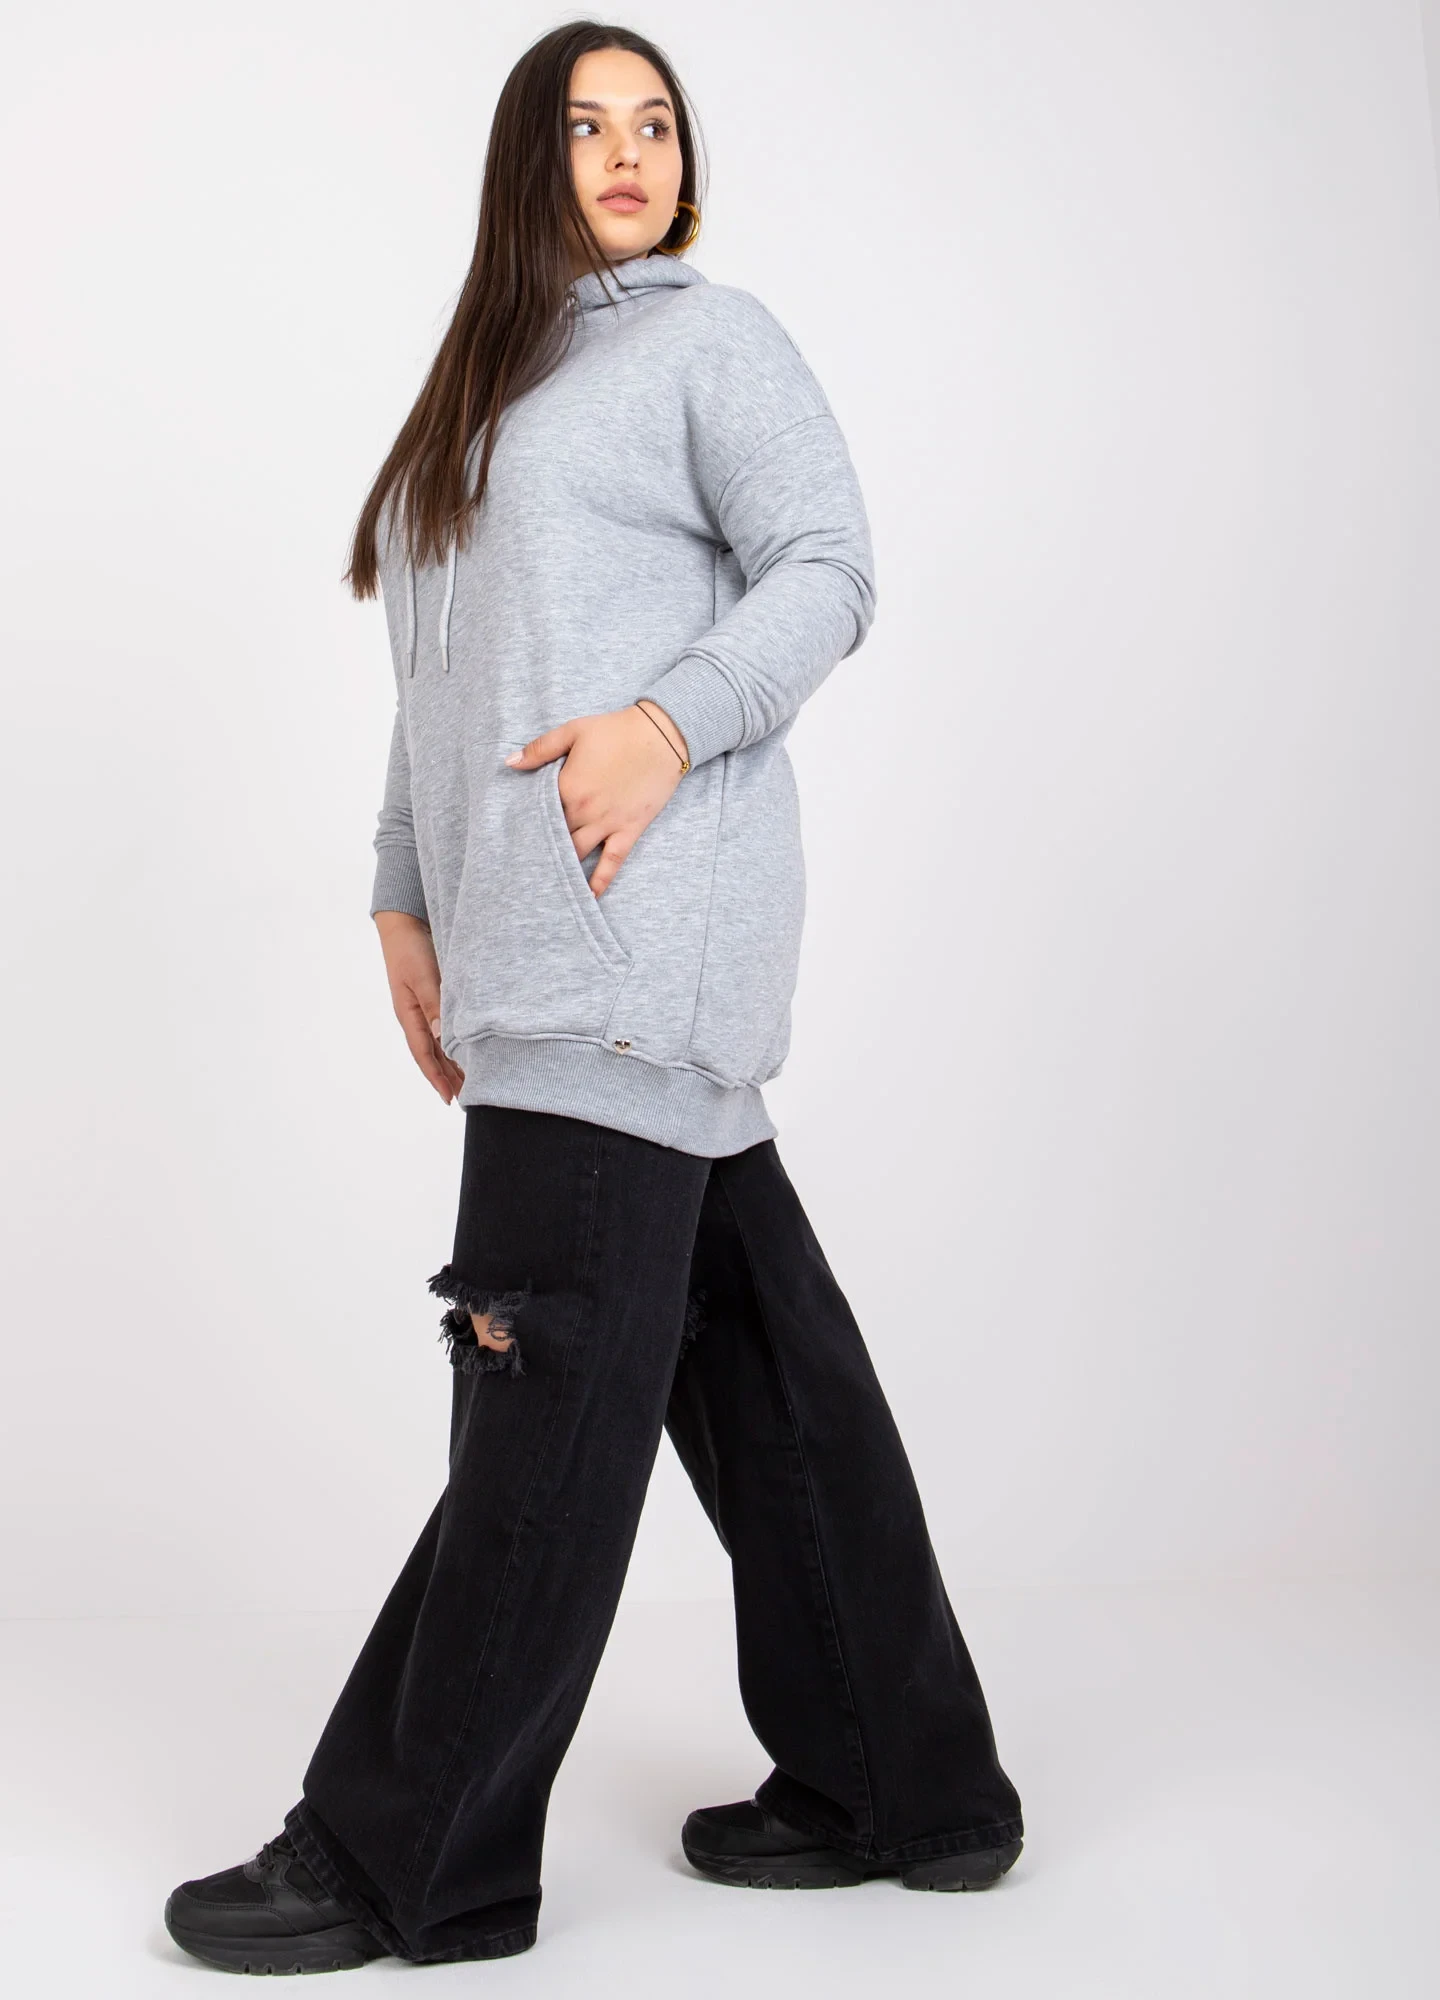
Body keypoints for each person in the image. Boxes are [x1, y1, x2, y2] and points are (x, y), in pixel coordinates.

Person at [163, 20, 1025, 1975]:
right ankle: (906, 1781)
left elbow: (830, 567)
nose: (630, 151)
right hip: (532, 946)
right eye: (586, 124)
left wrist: (664, 721)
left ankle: (404, 1859)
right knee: (760, 1364)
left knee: (535, 1390)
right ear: (523, 159)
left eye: (656, 123)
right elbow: (436, 681)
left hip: (638, 939)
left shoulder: (711, 346)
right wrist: (403, 892)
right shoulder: (484, 387)